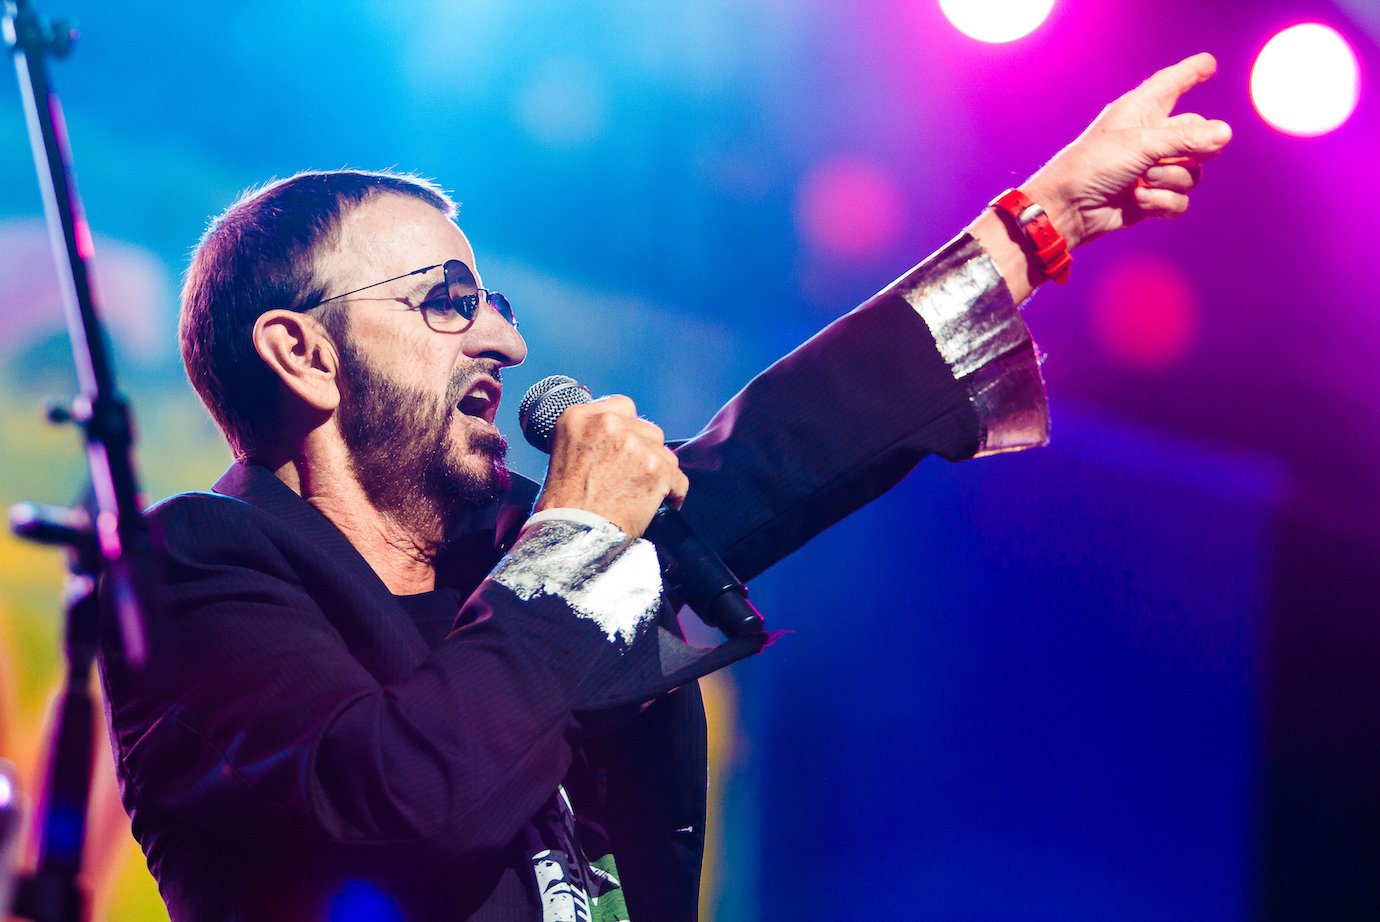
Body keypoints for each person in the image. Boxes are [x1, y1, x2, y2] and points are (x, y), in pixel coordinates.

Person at [97, 53, 1232, 921]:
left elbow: (774, 452)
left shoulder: (506, 556)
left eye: (491, 299)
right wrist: (576, 532)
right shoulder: (195, 566)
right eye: (446, 298)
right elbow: (399, 794)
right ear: (301, 352)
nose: (499, 333)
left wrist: (1032, 229)